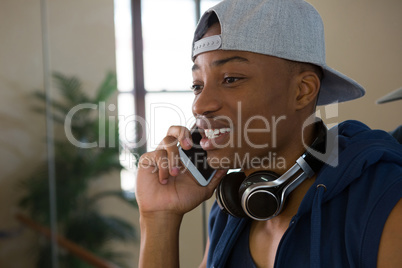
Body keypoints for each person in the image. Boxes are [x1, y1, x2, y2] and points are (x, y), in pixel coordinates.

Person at [135, 0, 402, 267]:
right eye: (197, 85)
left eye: (230, 79)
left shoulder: (383, 200)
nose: (199, 106)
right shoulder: (231, 208)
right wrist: (159, 217)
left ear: (303, 91)